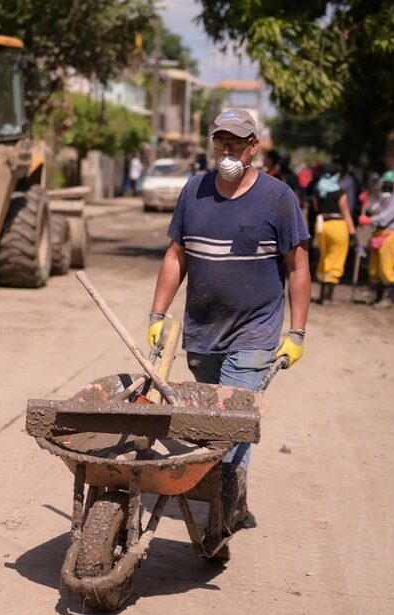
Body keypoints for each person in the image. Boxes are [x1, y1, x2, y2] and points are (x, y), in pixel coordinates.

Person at [146, 110, 310, 538]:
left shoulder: (277, 198)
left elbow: (297, 266)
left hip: (255, 331)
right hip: (203, 333)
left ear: (254, 147)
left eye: (237, 142)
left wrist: (296, 333)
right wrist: (158, 315)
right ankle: (229, 494)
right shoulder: (194, 192)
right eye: (221, 141)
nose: (227, 150)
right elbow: (176, 255)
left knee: (231, 423)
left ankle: (220, 517)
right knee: (206, 422)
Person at [311, 164, 356, 303]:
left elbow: (316, 207)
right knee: (336, 257)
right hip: (338, 225)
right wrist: (352, 233)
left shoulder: (318, 189)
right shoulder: (340, 192)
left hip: (322, 225)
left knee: (324, 257)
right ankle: (329, 295)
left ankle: (322, 294)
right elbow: (346, 212)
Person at [365, 171, 394, 307]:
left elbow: (385, 217)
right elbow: (372, 209)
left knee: (387, 268)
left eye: (390, 185)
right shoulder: (382, 199)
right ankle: (377, 296)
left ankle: (387, 298)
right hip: (378, 235)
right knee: (375, 268)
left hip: (391, 236)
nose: (386, 187)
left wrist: (369, 219)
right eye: (385, 184)